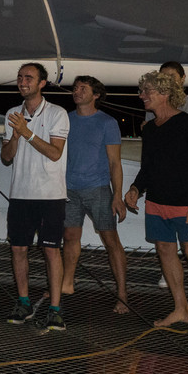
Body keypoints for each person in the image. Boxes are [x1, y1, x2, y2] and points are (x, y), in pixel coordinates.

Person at [128, 69, 188, 338]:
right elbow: (147, 168)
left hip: (186, 206)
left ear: (164, 94)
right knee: (164, 250)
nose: (142, 96)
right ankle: (181, 309)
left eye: (146, 91)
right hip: (156, 204)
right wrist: (136, 188)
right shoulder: (149, 129)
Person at [0, 62, 71, 332]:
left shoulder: (57, 113)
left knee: (51, 250)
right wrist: (16, 136)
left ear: (42, 83)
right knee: (18, 249)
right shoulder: (12, 113)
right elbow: (6, 157)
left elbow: (55, 153)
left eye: (29, 77)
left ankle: (55, 308)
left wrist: (27, 133)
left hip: (50, 195)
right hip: (20, 194)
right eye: (19, 77)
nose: (22, 81)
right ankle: (23, 301)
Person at [62, 75, 131, 315]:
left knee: (111, 241)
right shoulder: (65, 120)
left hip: (99, 188)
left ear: (96, 95)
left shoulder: (107, 122)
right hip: (69, 188)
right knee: (70, 236)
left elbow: (115, 162)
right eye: (75, 88)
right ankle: (66, 284)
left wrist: (117, 195)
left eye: (83, 88)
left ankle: (122, 294)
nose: (77, 91)